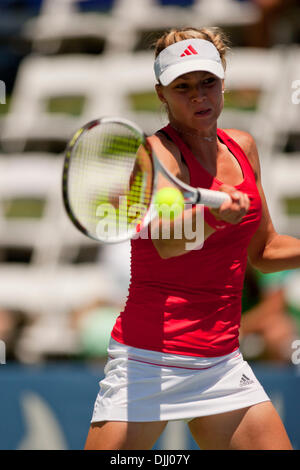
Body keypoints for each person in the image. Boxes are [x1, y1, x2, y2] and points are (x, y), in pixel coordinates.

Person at [84, 27, 295, 450]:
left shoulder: (244, 148)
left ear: (223, 82)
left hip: (221, 363)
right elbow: (166, 238)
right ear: (161, 93)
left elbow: (265, 250)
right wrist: (214, 217)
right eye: (183, 87)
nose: (199, 95)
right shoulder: (156, 154)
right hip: (149, 361)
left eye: (208, 82)